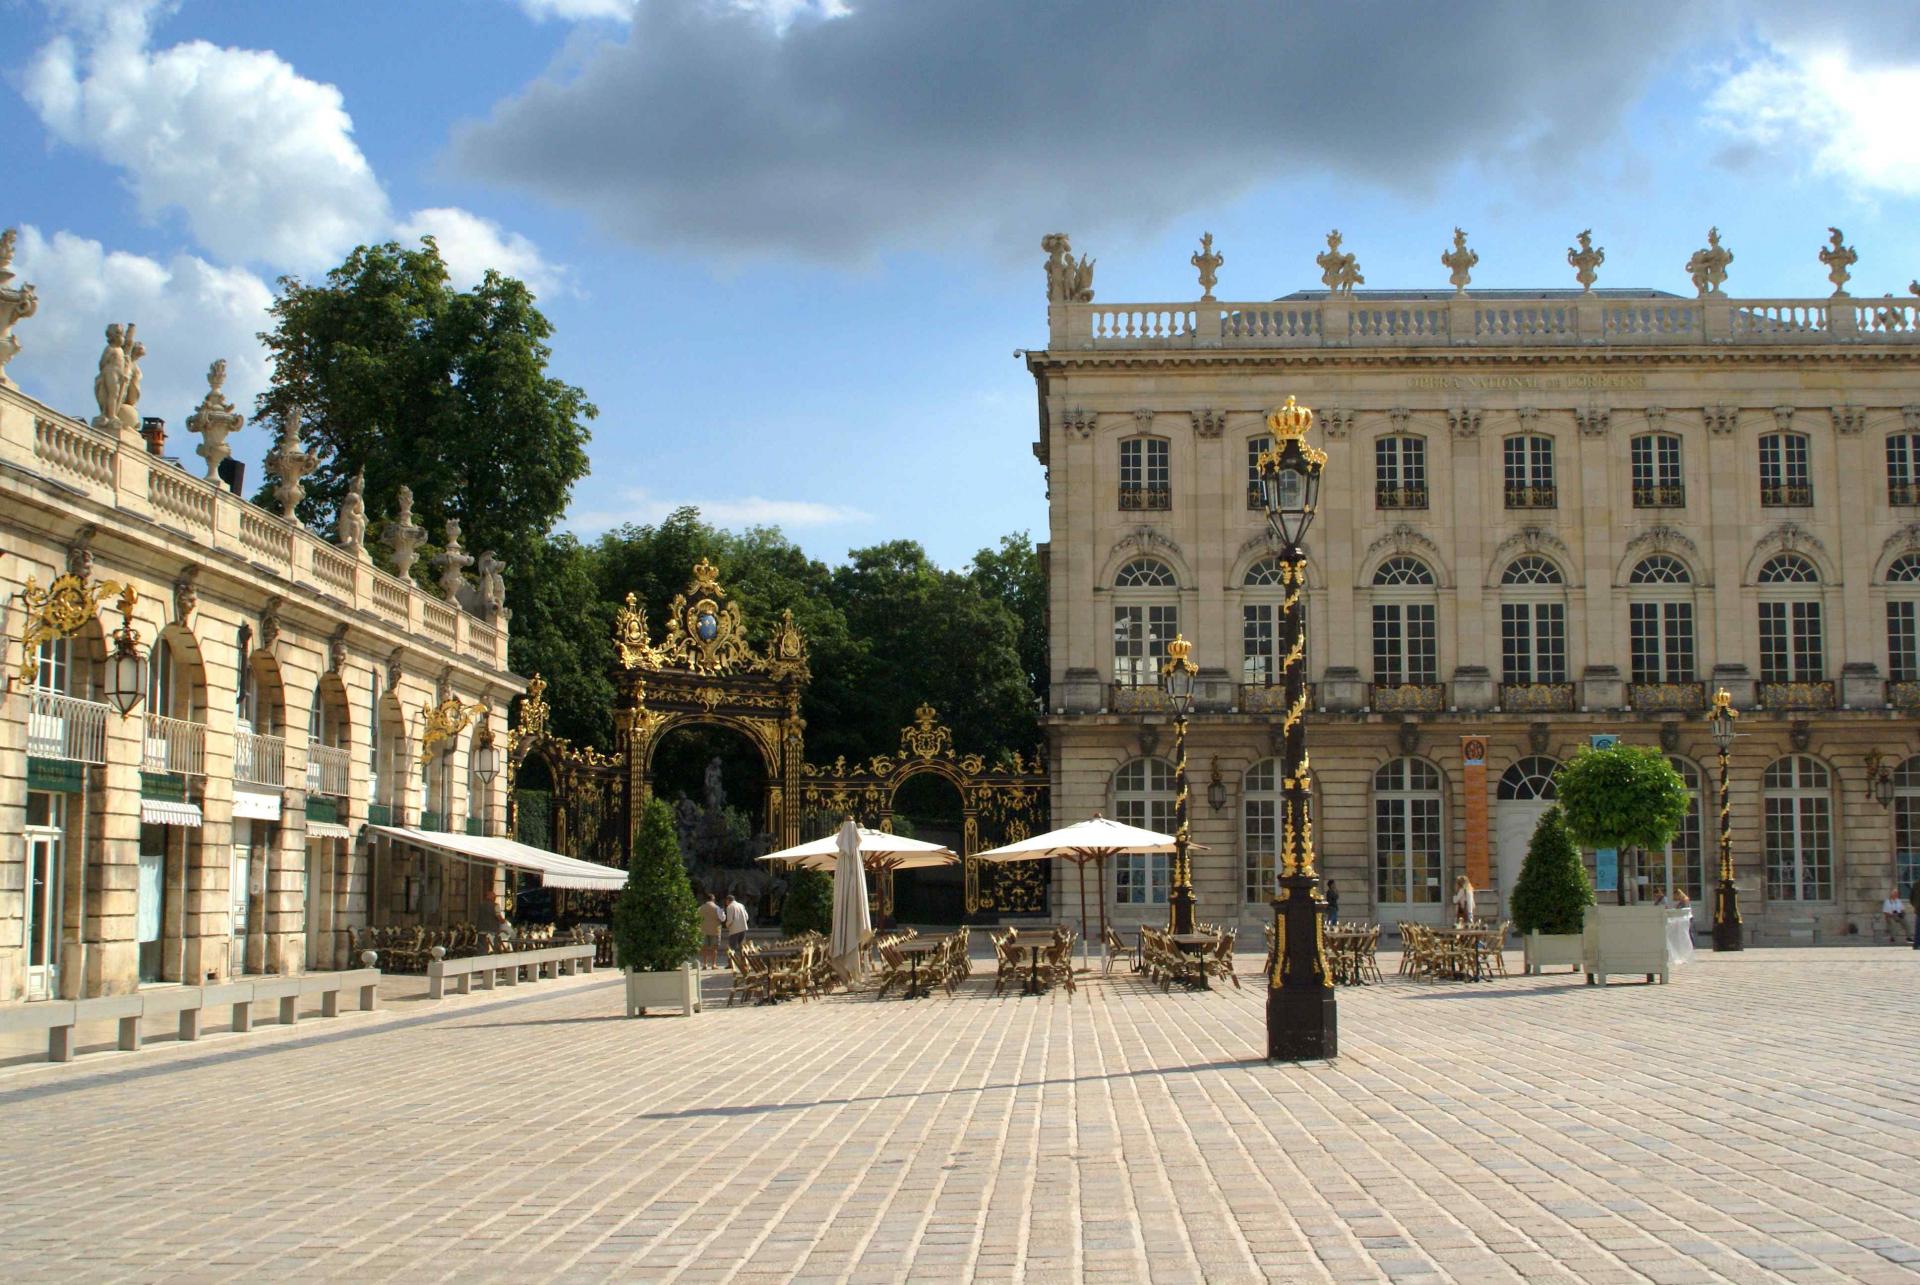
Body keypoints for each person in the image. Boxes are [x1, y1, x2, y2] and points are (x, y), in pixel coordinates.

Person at [697, 890, 725, 968]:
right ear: (713, 899)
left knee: (704, 948)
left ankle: (705, 964)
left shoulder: (700, 908)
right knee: (714, 948)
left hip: (703, 930)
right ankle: (713, 964)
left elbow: (697, 918)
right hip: (714, 930)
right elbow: (722, 918)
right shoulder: (717, 908)